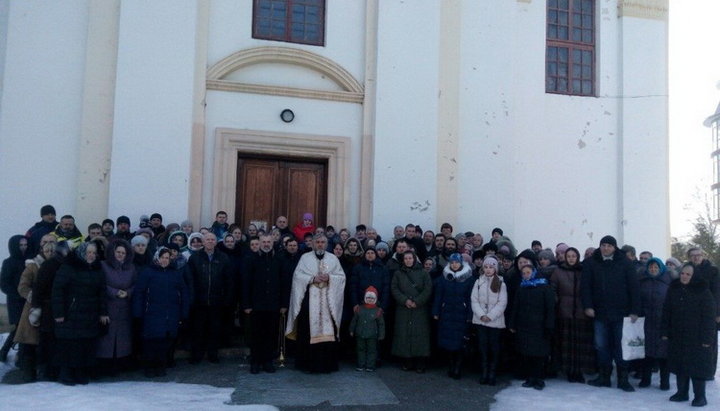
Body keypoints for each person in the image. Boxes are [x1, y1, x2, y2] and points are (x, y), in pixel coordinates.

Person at [581, 235, 640, 392]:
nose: (606, 248)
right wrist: (588, 306)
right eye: (603, 245)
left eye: (609, 245)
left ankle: (623, 379)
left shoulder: (625, 263)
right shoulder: (591, 263)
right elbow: (585, 286)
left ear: (614, 247)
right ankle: (604, 377)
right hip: (599, 313)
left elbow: (634, 288)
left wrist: (635, 310)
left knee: (621, 346)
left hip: (621, 313)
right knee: (601, 346)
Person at [286, 234, 345, 374]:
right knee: (307, 329)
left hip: (327, 302)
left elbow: (342, 277)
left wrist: (329, 277)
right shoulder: (305, 258)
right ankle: (307, 364)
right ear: (312, 244)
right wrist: (312, 278)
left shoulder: (333, 258)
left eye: (322, 242)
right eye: (317, 242)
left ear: (326, 244)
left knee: (328, 330)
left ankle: (327, 365)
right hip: (309, 301)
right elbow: (297, 277)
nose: (320, 244)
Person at [52, 242, 109, 385]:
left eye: (94, 253)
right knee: (70, 345)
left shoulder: (97, 269)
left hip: (90, 314)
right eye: (88, 252)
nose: (91, 255)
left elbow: (102, 293)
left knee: (86, 344)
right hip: (71, 313)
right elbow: (57, 291)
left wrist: (103, 312)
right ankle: (66, 373)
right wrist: (59, 313)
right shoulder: (69, 267)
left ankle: (80, 372)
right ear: (81, 252)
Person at [661, 263, 717, 407]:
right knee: (680, 365)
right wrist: (665, 331)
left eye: (688, 274)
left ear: (694, 276)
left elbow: (709, 317)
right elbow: (667, 311)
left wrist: (707, 338)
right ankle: (682, 393)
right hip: (677, 334)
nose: (684, 276)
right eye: (682, 273)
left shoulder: (703, 291)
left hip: (697, 337)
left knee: (697, 367)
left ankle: (700, 396)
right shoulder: (674, 288)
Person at [133, 247, 190, 377]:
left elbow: (184, 293)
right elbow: (139, 293)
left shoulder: (175, 273)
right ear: (157, 258)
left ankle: (160, 366)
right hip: (151, 313)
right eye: (162, 257)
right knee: (151, 342)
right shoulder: (148, 272)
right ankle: (149, 367)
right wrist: (137, 313)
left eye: (167, 258)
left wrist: (183, 313)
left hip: (170, 314)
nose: (165, 260)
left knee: (165, 342)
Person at [243, 235, 290, 374]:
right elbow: (246, 283)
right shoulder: (251, 259)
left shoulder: (279, 260)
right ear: (259, 243)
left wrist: (283, 304)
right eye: (263, 242)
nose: (266, 244)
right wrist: (246, 304)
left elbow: (284, 283)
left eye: (268, 242)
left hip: (274, 305)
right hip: (256, 305)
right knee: (256, 334)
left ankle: (268, 361)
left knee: (270, 334)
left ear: (273, 243)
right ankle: (255, 361)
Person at [550, 246, 595, 383]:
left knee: (580, 345)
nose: (571, 258)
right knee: (567, 345)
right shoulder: (558, 271)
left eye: (573, 256)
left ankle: (579, 371)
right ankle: (569, 371)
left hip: (581, 312)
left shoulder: (584, 271)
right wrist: (557, 302)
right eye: (568, 256)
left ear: (577, 257)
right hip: (565, 312)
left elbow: (590, 289)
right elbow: (552, 289)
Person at [186, 233, 233, 363]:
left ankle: (213, 354)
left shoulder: (224, 258)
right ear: (203, 242)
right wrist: (192, 298)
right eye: (208, 239)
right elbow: (191, 280)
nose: (210, 242)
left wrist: (227, 298)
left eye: (213, 239)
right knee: (198, 329)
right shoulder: (194, 258)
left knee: (215, 329)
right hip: (199, 300)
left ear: (216, 242)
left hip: (217, 300)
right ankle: (196, 355)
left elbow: (229, 280)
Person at [14, 237, 56, 382]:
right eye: (47, 250)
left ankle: (44, 371)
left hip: (51, 309)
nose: (50, 252)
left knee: (47, 343)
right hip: (34, 309)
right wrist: (34, 297)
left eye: (52, 250)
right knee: (29, 343)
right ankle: (28, 372)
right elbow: (22, 286)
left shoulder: (58, 265)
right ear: (42, 250)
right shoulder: (33, 266)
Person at [509, 264, 555, 391]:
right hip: (524, 325)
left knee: (539, 355)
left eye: (528, 272)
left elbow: (550, 309)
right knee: (527, 353)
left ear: (534, 272)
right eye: (523, 273)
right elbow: (516, 307)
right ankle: (530, 377)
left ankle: (539, 378)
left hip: (540, 326)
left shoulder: (545, 287)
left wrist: (549, 325)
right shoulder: (522, 288)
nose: (526, 275)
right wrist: (512, 323)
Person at [96, 239, 136, 375]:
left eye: (123, 253)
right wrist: (114, 292)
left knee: (122, 340)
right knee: (106, 340)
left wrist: (128, 292)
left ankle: (119, 365)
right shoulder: (103, 265)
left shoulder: (131, 267)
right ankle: (104, 366)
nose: (120, 255)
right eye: (118, 252)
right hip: (108, 306)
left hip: (124, 308)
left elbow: (136, 285)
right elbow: (100, 284)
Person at [433, 253, 474, 379]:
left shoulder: (468, 278)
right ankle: (451, 365)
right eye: (452, 262)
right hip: (447, 313)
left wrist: (470, 314)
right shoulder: (444, 277)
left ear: (461, 263)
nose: (454, 264)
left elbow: (470, 298)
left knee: (460, 342)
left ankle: (458, 367)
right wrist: (436, 311)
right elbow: (439, 295)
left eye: (456, 262)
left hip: (461, 313)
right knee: (448, 342)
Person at [391, 251, 432, 373]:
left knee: (420, 335)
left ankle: (420, 361)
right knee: (404, 334)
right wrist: (405, 300)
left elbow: (428, 289)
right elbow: (394, 288)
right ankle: (407, 360)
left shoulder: (424, 273)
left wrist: (417, 301)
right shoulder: (398, 273)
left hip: (420, 309)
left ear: (414, 259)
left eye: (410, 258)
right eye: (406, 258)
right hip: (403, 308)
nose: (408, 260)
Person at [471, 255, 507, 386]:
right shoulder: (478, 282)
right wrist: (481, 315)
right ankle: (484, 372)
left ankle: (492, 373)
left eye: (491, 267)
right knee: (483, 347)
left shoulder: (501, 283)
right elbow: (474, 300)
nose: (488, 270)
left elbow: (502, 302)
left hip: (495, 322)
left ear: (495, 269)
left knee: (494, 348)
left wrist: (490, 316)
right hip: (480, 321)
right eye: (486, 267)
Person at [638, 257, 671, 390]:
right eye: (651, 267)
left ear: (661, 268)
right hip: (646, 320)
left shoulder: (668, 282)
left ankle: (664, 381)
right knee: (647, 352)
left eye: (656, 267)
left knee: (664, 353)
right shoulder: (642, 281)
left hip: (663, 321)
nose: (653, 269)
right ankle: (646, 379)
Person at [1, 235, 30, 362]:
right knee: (19, 328)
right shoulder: (8, 262)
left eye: (25, 245)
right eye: (20, 245)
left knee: (24, 328)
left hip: (28, 300)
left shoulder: (29, 261)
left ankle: (18, 354)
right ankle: (5, 351)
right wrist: (18, 294)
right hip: (15, 301)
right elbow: (4, 284)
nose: (23, 247)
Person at [349, 286, 385, 372]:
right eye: (368, 297)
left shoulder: (378, 310)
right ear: (365, 297)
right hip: (360, 334)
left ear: (375, 299)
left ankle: (370, 365)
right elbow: (354, 320)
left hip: (372, 334)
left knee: (372, 350)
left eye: (372, 298)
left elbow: (381, 324)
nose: (370, 299)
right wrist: (351, 330)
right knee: (360, 349)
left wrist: (381, 334)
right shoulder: (359, 309)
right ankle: (361, 364)